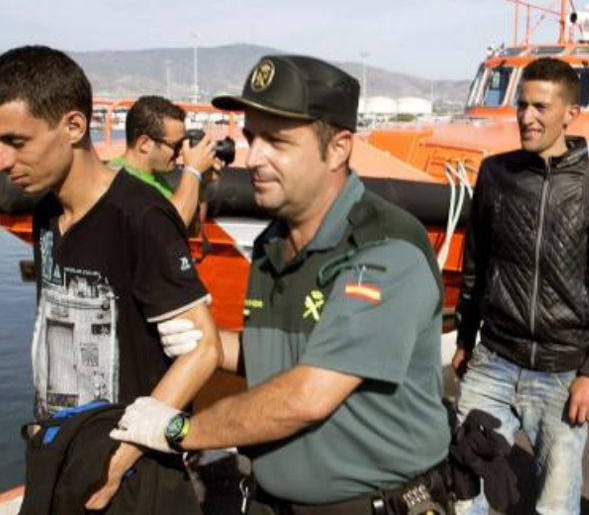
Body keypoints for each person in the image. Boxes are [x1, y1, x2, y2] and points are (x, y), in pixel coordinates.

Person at [110, 55, 453, 514]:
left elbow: (306, 395)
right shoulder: (275, 241)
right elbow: (284, 357)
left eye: (277, 141)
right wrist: (209, 344)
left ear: (338, 149)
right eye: (252, 138)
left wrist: (179, 431)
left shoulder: (384, 247)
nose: (253, 158)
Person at [0, 46, 222, 512]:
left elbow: (204, 348)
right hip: (59, 450)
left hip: (125, 479)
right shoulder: (47, 210)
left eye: (16, 142)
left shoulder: (141, 216)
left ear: (73, 127)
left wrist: (118, 459)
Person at [451, 57, 589, 515]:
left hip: (562, 371)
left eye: (540, 107)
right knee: (463, 491)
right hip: (494, 359)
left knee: (555, 505)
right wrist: (464, 338)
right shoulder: (495, 174)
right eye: (521, 105)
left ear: (570, 113)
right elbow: (476, 264)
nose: (526, 117)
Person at [111, 95, 224, 228]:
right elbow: (172, 226)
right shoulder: (118, 180)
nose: (181, 152)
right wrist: (193, 170)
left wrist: (200, 184)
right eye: (176, 145)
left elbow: (193, 228)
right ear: (145, 144)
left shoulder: (156, 179)